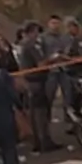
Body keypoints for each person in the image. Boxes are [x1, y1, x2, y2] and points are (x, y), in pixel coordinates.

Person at [18, 21, 59, 152]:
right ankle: (44, 142)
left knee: (34, 113)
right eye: (36, 32)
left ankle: (37, 142)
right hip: (36, 81)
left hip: (29, 81)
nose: (38, 35)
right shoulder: (31, 45)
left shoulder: (23, 45)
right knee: (40, 113)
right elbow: (41, 63)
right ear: (32, 32)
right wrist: (53, 58)